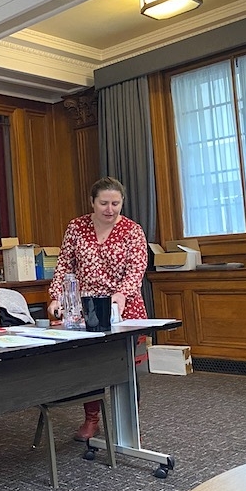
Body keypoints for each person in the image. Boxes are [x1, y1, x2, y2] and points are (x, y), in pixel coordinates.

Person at [47, 176, 148, 441]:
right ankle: (91, 418)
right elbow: (64, 265)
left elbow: (136, 269)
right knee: (90, 366)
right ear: (92, 202)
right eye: (104, 203)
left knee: (124, 366)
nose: (110, 209)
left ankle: (128, 423)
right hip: (87, 309)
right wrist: (56, 297)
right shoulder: (76, 228)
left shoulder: (132, 231)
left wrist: (122, 294)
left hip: (123, 308)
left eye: (116, 203)